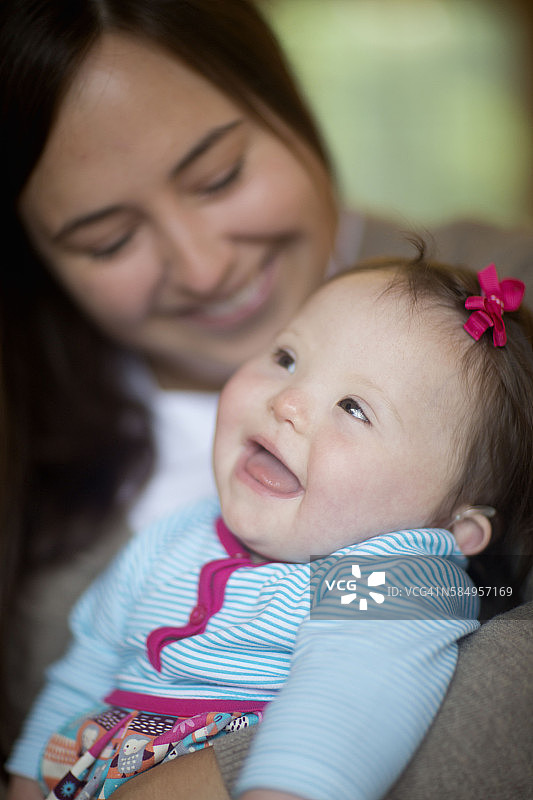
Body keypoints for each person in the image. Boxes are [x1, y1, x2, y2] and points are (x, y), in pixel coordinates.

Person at [1, 0, 533, 797]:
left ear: (291, 104)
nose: (203, 266)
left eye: (218, 177)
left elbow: (354, 689)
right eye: (107, 239)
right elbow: (87, 660)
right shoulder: (177, 540)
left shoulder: (389, 564)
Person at [6, 251, 533, 800]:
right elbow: (84, 671)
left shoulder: (395, 576)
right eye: (286, 358)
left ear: (453, 530)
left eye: (354, 408)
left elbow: (343, 708)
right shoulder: (175, 536)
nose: (288, 402)